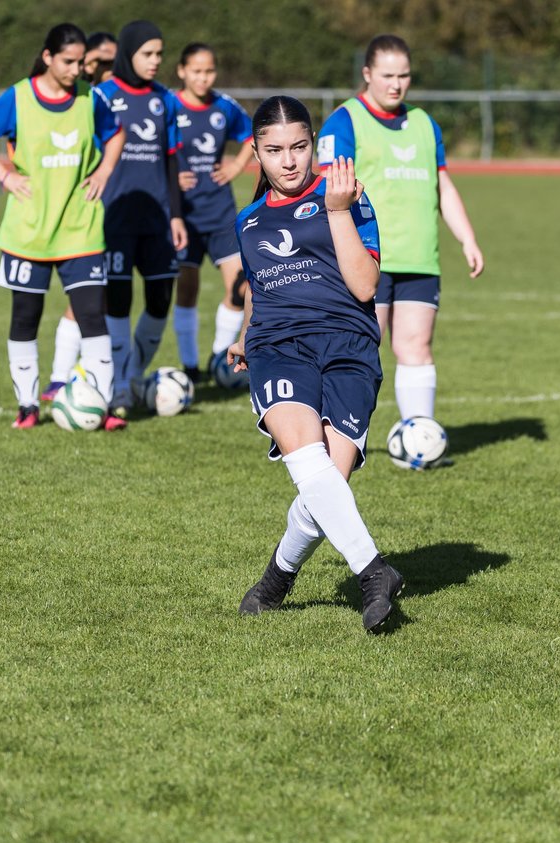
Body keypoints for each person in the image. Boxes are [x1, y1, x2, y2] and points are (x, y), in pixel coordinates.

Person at [228, 96, 404, 633]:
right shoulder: (249, 220)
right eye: (275, 150)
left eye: (299, 147)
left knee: (328, 486)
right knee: (308, 462)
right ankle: (374, 573)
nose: (288, 161)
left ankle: (277, 579)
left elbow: (365, 285)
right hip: (278, 346)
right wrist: (242, 337)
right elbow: (258, 290)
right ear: (255, 152)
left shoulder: (344, 195)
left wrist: (336, 210)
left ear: (313, 146)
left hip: (349, 345)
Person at [317, 34, 484, 436]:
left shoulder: (425, 123)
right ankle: (334, 434)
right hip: (368, 259)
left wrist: (467, 238)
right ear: (367, 73)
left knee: (416, 347)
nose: (396, 84)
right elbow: (327, 189)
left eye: (404, 75)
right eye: (387, 75)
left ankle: (418, 436)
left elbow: (443, 186)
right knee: (357, 350)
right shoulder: (345, 121)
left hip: (420, 257)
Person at [0, 22, 127, 430]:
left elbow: (117, 133)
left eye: (80, 62)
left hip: (80, 226)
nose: (76, 70)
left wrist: (105, 170)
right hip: (28, 230)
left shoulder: (92, 98)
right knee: (25, 317)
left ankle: (102, 407)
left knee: (93, 317)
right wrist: (4, 176)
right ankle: (28, 405)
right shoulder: (18, 98)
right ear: (49, 57)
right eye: (68, 62)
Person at [89, 20, 188, 417]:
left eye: (159, 54)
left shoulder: (166, 99)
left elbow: (171, 159)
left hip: (158, 219)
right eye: (147, 54)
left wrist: (177, 216)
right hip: (114, 217)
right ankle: (118, 388)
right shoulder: (101, 95)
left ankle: (132, 374)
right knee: (118, 300)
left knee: (161, 298)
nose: (155, 61)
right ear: (128, 54)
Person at [170, 42, 254, 383]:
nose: (203, 78)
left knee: (239, 287)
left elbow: (253, 137)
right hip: (185, 215)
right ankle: (190, 366)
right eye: (196, 71)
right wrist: (171, 174)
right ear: (182, 71)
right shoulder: (168, 106)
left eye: (209, 71)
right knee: (186, 289)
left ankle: (220, 357)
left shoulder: (225, 106)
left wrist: (235, 167)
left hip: (220, 211)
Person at [45, 29, 117, 399]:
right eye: (99, 61)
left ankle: (100, 380)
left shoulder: (103, 98)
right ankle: (63, 378)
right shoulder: (83, 97)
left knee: (102, 300)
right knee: (88, 300)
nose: (104, 68)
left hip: (122, 208)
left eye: (111, 62)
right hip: (82, 213)